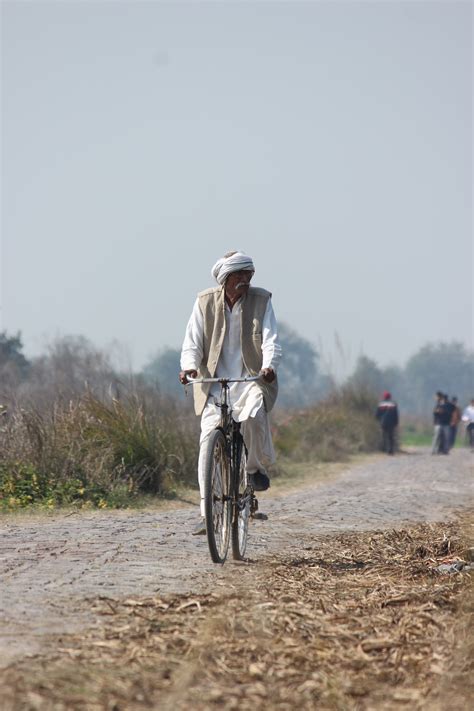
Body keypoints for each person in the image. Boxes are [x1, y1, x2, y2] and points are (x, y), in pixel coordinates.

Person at [179, 251, 282, 535]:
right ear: (225, 279)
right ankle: (206, 513)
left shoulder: (262, 301)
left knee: (253, 416)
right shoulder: (204, 303)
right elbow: (192, 342)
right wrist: (189, 368)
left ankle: (252, 470)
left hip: (249, 379)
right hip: (214, 382)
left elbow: (271, 339)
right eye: (239, 276)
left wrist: (269, 365)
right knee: (206, 442)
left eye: (248, 275)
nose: (245, 281)